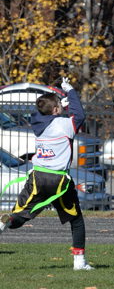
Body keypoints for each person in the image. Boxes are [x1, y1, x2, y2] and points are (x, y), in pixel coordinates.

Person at [0, 78, 94, 271]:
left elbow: (44, 112)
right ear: (55, 110)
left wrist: (62, 105)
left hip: (37, 177)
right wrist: (71, 92)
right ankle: (79, 262)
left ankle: (4, 222)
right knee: (76, 220)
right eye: (58, 105)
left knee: (19, 217)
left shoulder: (38, 123)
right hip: (58, 180)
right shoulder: (63, 125)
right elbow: (80, 115)